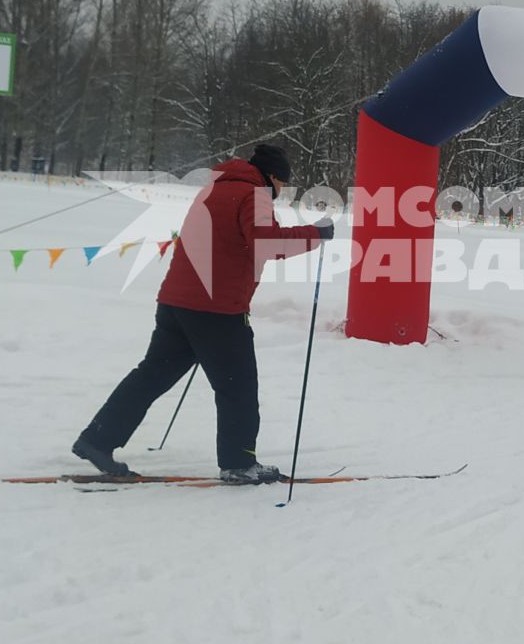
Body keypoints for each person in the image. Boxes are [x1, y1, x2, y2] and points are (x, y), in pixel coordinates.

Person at [72, 144, 334, 481]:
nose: (282, 191)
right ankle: (239, 464)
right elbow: (265, 242)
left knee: (150, 376)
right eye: (282, 184)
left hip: (177, 303)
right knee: (237, 387)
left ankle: (97, 439)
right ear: (271, 176)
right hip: (216, 309)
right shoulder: (254, 195)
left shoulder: (214, 190)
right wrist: (315, 233)